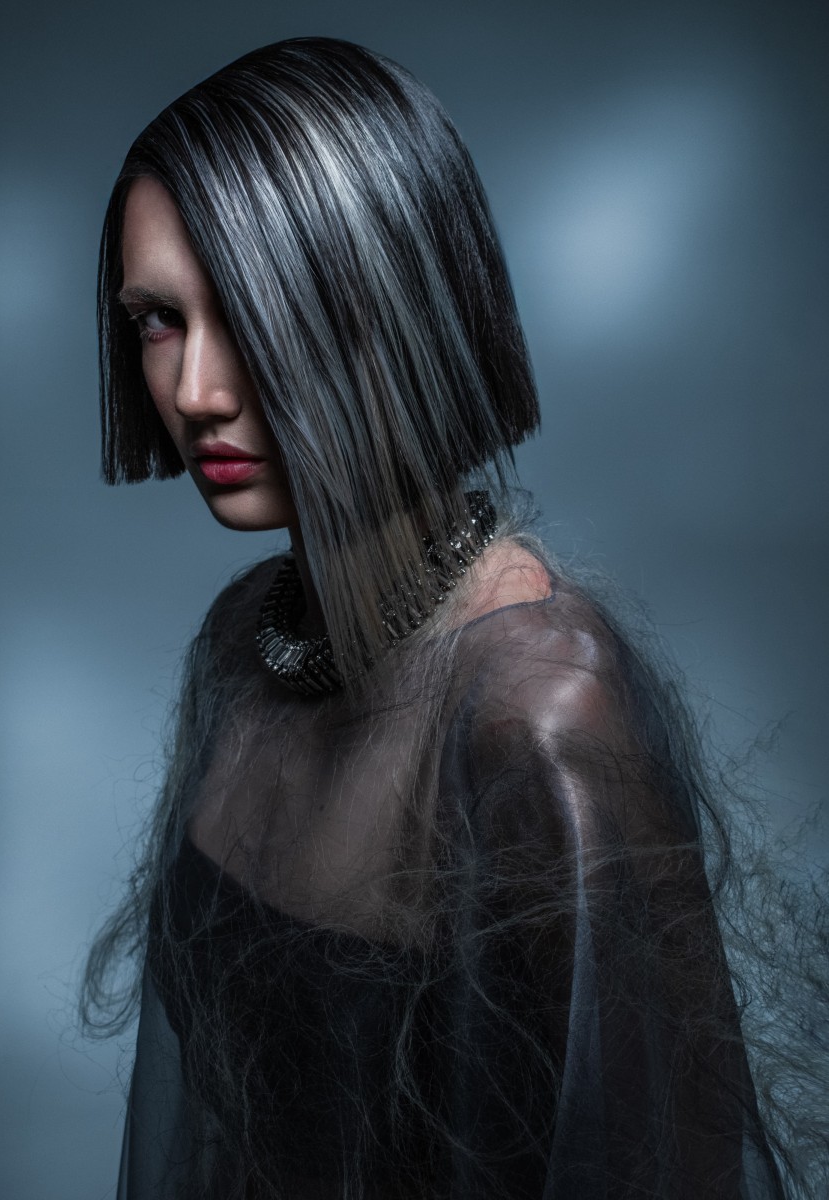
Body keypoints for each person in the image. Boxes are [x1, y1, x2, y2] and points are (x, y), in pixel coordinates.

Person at [84, 37, 825, 1199]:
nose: (194, 392)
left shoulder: (537, 718)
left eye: (253, 308)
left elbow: (667, 1170)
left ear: (389, 305)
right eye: (158, 320)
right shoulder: (242, 647)